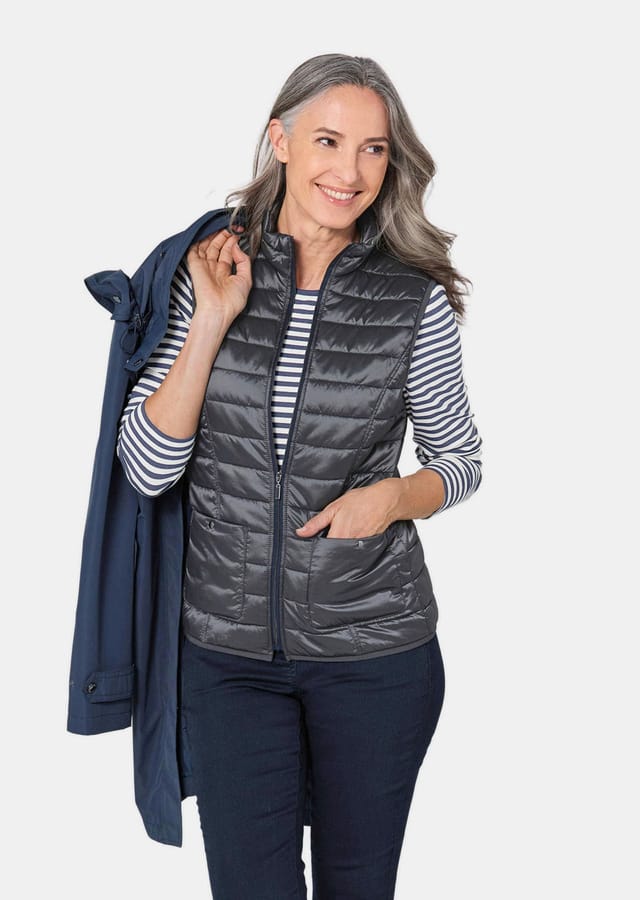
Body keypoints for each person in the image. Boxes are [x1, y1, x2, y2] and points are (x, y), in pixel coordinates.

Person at [115, 52, 482, 900]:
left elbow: (460, 460)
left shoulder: (412, 300)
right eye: (327, 141)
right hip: (227, 658)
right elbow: (148, 466)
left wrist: (395, 498)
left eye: (373, 149)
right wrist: (212, 322)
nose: (349, 171)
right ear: (279, 140)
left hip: (376, 654)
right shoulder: (206, 271)